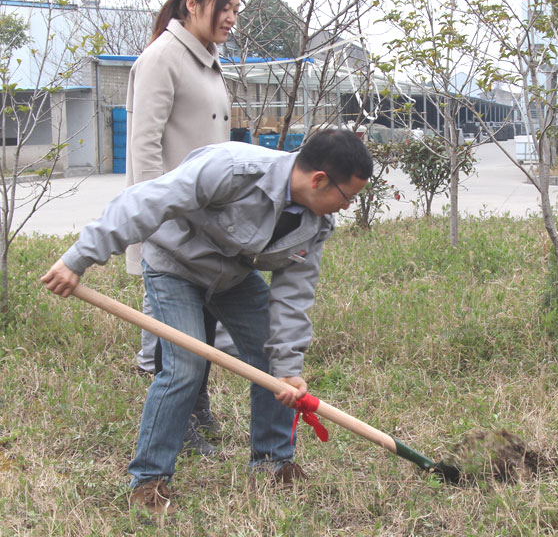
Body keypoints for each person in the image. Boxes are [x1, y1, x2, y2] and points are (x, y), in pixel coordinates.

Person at [40, 129, 372, 515]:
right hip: (175, 266)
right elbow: (144, 203)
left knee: (275, 367)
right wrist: (79, 258)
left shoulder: (314, 226)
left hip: (231, 276)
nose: (347, 208)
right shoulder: (233, 168)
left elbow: (293, 298)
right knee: (185, 366)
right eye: (347, 197)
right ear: (319, 180)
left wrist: (289, 368)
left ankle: (272, 464)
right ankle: (149, 480)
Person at [127, 0, 242, 455]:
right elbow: (144, 149)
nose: (232, 18)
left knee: (206, 323)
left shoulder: (208, 62)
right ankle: (177, 423)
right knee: (177, 336)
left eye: (237, 9)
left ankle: (198, 407)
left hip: (207, 224)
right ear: (193, 3)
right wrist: (161, 219)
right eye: (225, 7)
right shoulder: (163, 59)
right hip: (172, 225)